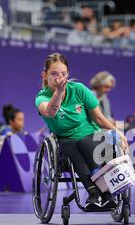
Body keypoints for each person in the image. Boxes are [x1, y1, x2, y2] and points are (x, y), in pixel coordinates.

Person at [35, 53, 128, 210]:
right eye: (54, 74)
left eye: (63, 74)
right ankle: (94, 193)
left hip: (89, 134)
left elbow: (99, 118)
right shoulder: (41, 98)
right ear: (44, 75)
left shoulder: (79, 89)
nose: (59, 78)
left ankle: (105, 193)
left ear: (68, 74)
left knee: (86, 143)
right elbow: (50, 112)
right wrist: (58, 92)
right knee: (70, 146)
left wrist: (118, 132)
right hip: (64, 139)